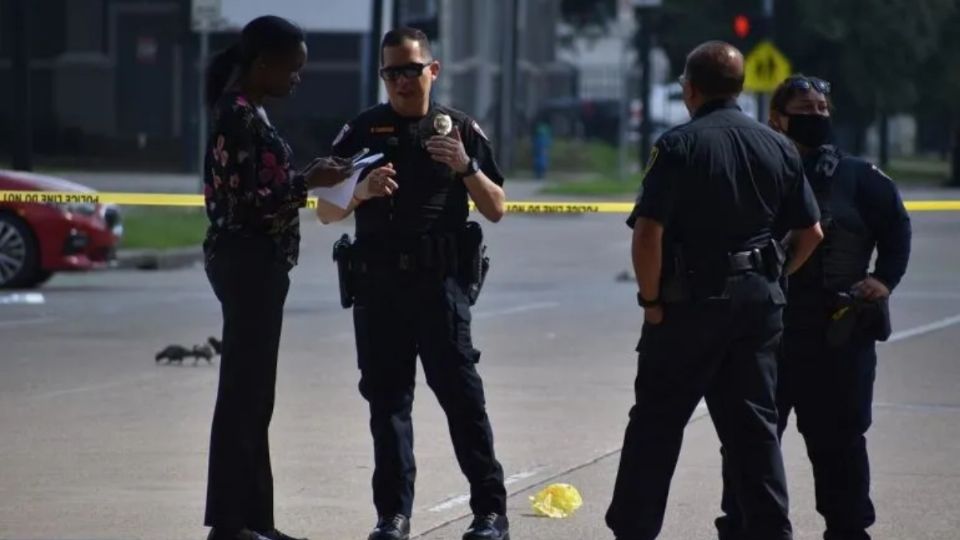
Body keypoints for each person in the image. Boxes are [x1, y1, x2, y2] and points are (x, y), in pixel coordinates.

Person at [604, 41, 825, 540]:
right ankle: (772, 531)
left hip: (689, 307)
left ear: (691, 88)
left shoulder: (679, 145)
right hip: (758, 306)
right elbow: (811, 233)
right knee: (754, 431)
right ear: (741, 87)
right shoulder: (779, 146)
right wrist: (773, 276)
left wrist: (651, 302)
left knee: (656, 426)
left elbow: (647, 235)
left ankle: (634, 530)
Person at [316, 27, 510, 540]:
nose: (402, 81)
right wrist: (361, 192)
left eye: (411, 69)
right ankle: (393, 516)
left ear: (433, 70)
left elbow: (496, 209)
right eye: (392, 72)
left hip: (440, 286)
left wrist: (465, 167)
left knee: (463, 400)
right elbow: (324, 212)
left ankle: (490, 512)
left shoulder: (459, 129)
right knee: (388, 405)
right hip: (379, 288)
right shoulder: (362, 131)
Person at [716, 75, 912, 540]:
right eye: (805, 109)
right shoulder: (752, 173)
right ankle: (745, 528)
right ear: (777, 119)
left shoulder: (858, 177)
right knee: (749, 445)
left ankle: (848, 530)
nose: (817, 117)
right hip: (765, 336)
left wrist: (883, 280)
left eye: (823, 109)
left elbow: (897, 229)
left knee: (841, 444)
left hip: (838, 336)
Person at [201, 15, 349, 540]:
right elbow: (248, 204)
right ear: (263, 65)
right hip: (247, 263)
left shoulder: (249, 110)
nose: (297, 79)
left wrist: (309, 176)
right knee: (245, 396)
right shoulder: (238, 116)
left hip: (258, 264)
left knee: (254, 396)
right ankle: (231, 525)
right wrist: (310, 180)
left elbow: (263, 185)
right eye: (292, 69)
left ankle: (252, 522)